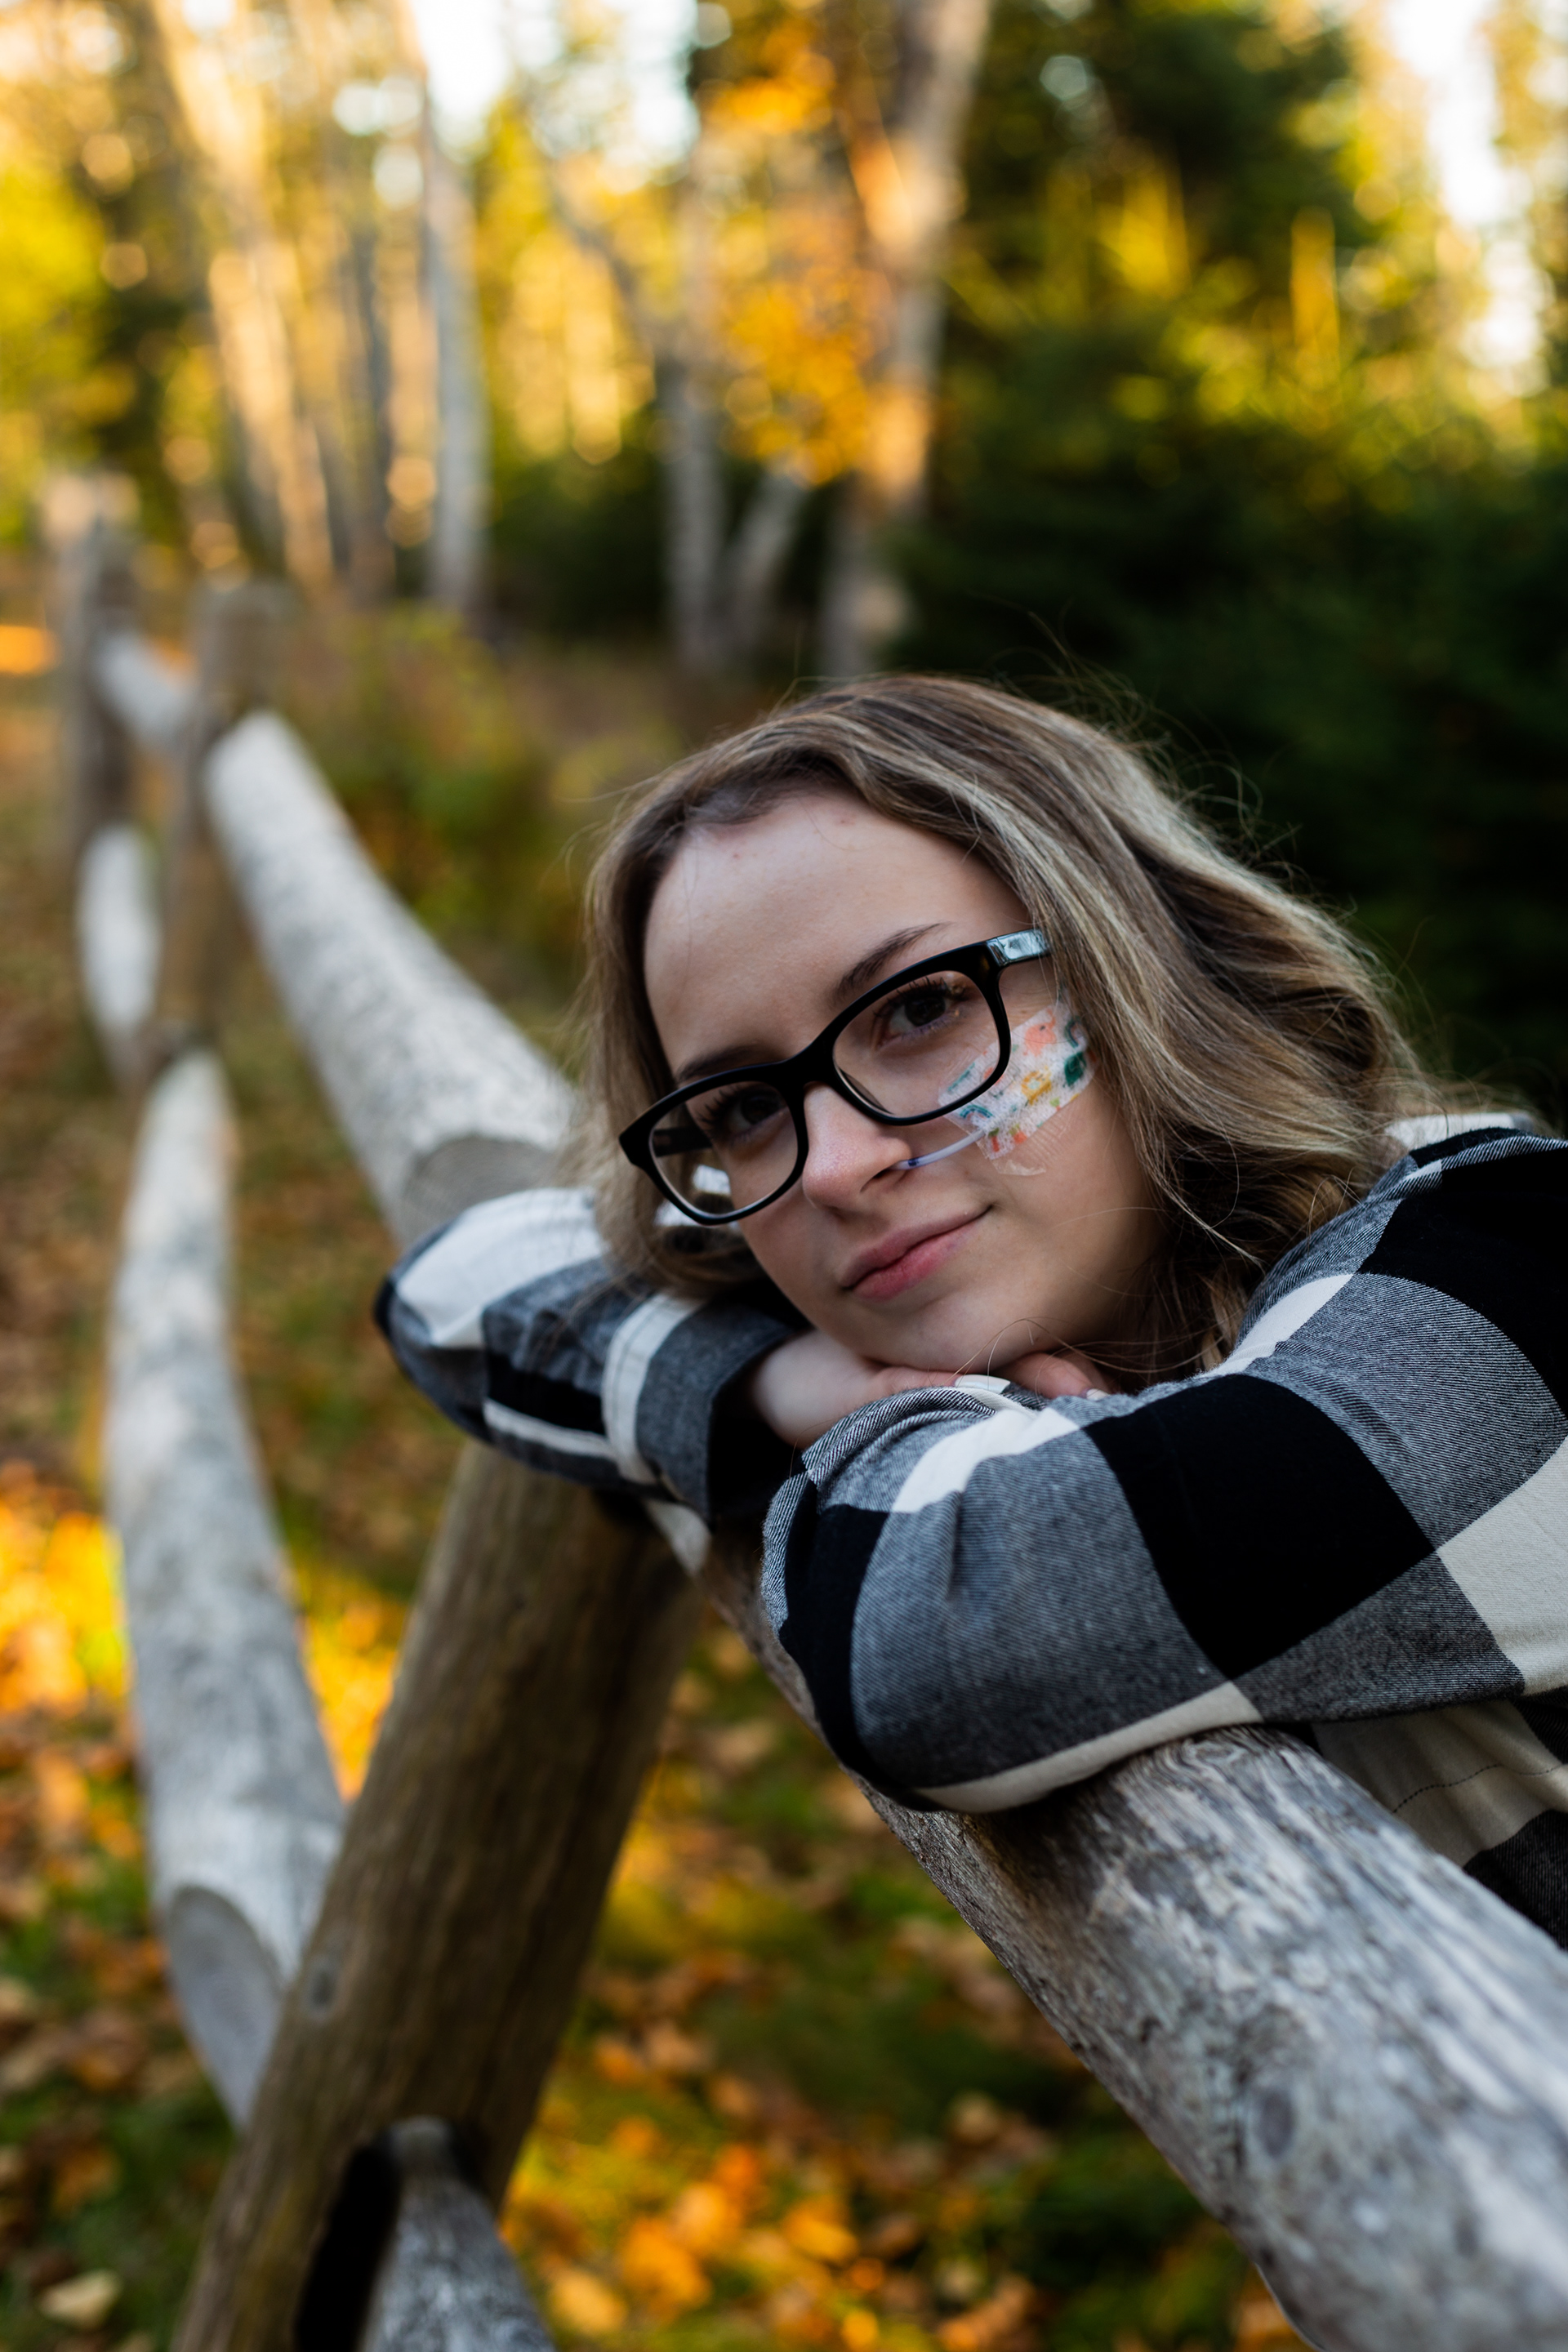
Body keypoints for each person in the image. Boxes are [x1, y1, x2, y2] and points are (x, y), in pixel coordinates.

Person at [378, 677, 1568, 1944]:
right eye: (743, 1107)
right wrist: (771, 1379)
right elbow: (453, 1288)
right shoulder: (870, 1236)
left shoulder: (1516, 1275)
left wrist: (884, 1424)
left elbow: (927, 1643)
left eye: (921, 1009)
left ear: (1139, 962)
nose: (836, 1168)